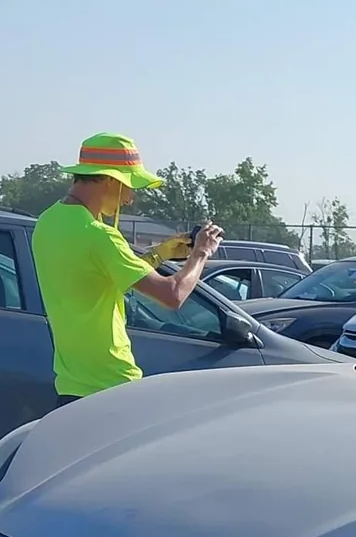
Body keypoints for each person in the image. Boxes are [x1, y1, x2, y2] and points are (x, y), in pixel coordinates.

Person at [31, 133, 224, 404]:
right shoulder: (99, 235)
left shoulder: (47, 222)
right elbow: (173, 294)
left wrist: (161, 253)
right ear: (111, 180)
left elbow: (101, 277)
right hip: (112, 385)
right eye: (130, 186)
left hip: (70, 385)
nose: (130, 198)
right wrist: (201, 253)